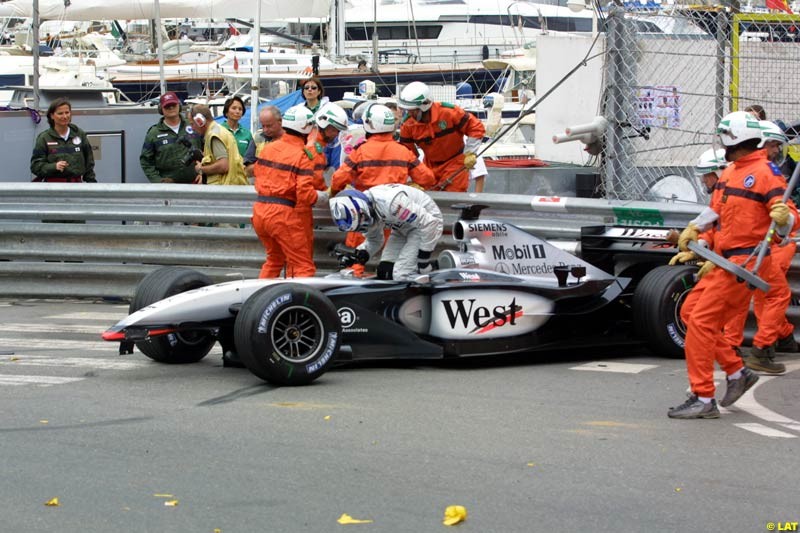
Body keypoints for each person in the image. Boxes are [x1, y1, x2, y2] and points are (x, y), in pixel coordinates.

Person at [667, 111, 798, 419]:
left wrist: (785, 221)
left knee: (700, 323)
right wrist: (695, 231)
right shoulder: (730, 171)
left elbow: (785, 221)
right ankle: (737, 372)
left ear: (732, 138)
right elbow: (715, 211)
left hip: (746, 263)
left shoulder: (766, 173)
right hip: (725, 260)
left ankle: (703, 397)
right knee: (689, 313)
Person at [722, 121, 797, 365]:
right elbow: (786, 215)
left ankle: (737, 347)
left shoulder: (733, 170)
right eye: (774, 145)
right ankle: (763, 348)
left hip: (741, 249)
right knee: (772, 296)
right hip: (760, 248)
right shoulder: (764, 172)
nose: (777, 152)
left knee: (748, 298)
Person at [251, 105, 329, 278]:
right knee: (303, 266)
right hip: (282, 215)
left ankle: (260, 299)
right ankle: (300, 303)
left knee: (274, 260)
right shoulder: (303, 155)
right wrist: (325, 197)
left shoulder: (268, 148)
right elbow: (305, 195)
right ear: (306, 128)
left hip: (260, 212)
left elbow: (257, 174)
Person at [329, 183, 443, 280]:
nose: (365, 225)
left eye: (363, 222)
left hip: (426, 224)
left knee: (402, 274)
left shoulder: (391, 203)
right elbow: (375, 241)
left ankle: (433, 278)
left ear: (363, 210)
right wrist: (360, 254)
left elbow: (430, 224)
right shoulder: (365, 213)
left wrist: (423, 258)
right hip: (402, 227)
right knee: (385, 271)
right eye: (360, 227)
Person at [397, 81, 485, 192]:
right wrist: (412, 179)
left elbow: (475, 127)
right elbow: (408, 155)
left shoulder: (449, 113)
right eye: (407, 110)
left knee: (453, 199)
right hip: (429, 166)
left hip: (455, 163)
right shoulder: (408, 125)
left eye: (412, 111)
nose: (409, 114)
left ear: (424, 106)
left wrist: (470, 153)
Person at [139, 92, 201, 184]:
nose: (171, 108)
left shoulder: (193, 125)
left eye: (173, 105)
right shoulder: (154, 133)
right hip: (168, 189)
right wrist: (158, 181)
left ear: (179, 106)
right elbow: (146, 161)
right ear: (161, 109)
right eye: (167, 106)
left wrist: (204, 172)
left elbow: (207, 150)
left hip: (196, 183)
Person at [31, 97, 96, 183]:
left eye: (67, 112)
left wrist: (92, 185)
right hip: (53, 187)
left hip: (76, 186)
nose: (65, 116)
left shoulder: (79, 134)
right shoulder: (44, 138)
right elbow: (35, 166)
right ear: (52, 116)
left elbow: (89, 163)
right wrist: (54, 166)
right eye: (60, 113)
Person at [187, 104, 248, 186]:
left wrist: (201, 169)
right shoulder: (218, 131)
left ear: (200, 121)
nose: (192, 128)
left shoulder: (214, 135)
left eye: (192, 124)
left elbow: (223, 166)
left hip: (224, 189)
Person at [244, 105, 284, 177]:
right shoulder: (257, 137)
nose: (265, 130)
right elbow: (247, 169)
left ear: (280, 121)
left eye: (269, 126)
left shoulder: (292, 137)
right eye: (263, 126)